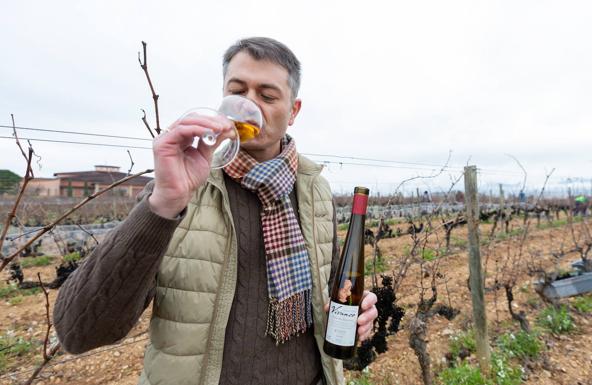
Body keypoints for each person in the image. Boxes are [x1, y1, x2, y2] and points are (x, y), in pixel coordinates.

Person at [53, 37, 378, 385]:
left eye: (267, 96)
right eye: (237, 91)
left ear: (294, 111)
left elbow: (328, 295)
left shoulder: (315, 192)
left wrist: (354, 316)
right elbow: (79, 332)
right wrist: (163, 203)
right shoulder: (182, 190)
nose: (248, 104)